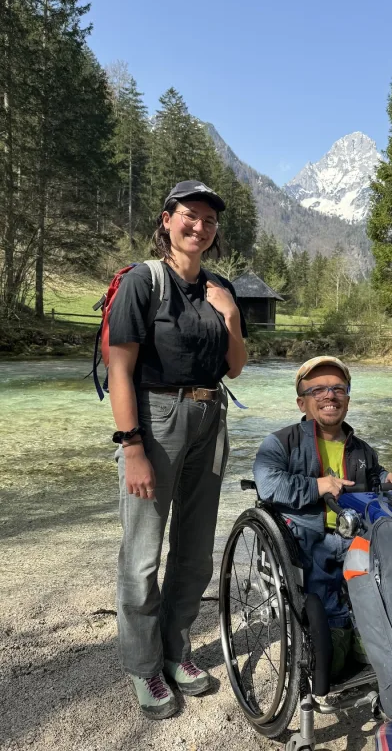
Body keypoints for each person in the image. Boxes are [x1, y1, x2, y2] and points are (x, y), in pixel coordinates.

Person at [108, 180, 248, 719]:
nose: (200, 227)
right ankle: (144, 666)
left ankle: (175, 650)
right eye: (190, 216)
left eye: (209, 221)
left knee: (194, 550)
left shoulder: (220, 286)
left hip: (212, 416)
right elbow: (121, 369)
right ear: (167, 219)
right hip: (156, 418)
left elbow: (235, 366)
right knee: (142, 554)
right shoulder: (144, 282)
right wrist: (132, 447)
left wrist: (230, 315)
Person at [253, 356, 392, 677]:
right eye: (319, 390)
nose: (330, 395)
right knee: (334, 650)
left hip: (356, 538)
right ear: (302, 402)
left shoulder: (363, 451)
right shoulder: (281, 443)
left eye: (338, 388)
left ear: (348, 401)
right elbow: (268, 484)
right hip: (306, 540)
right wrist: (317, 486)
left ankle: (367, 634)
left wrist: (391, 481)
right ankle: (337, 636)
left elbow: (375, 478)